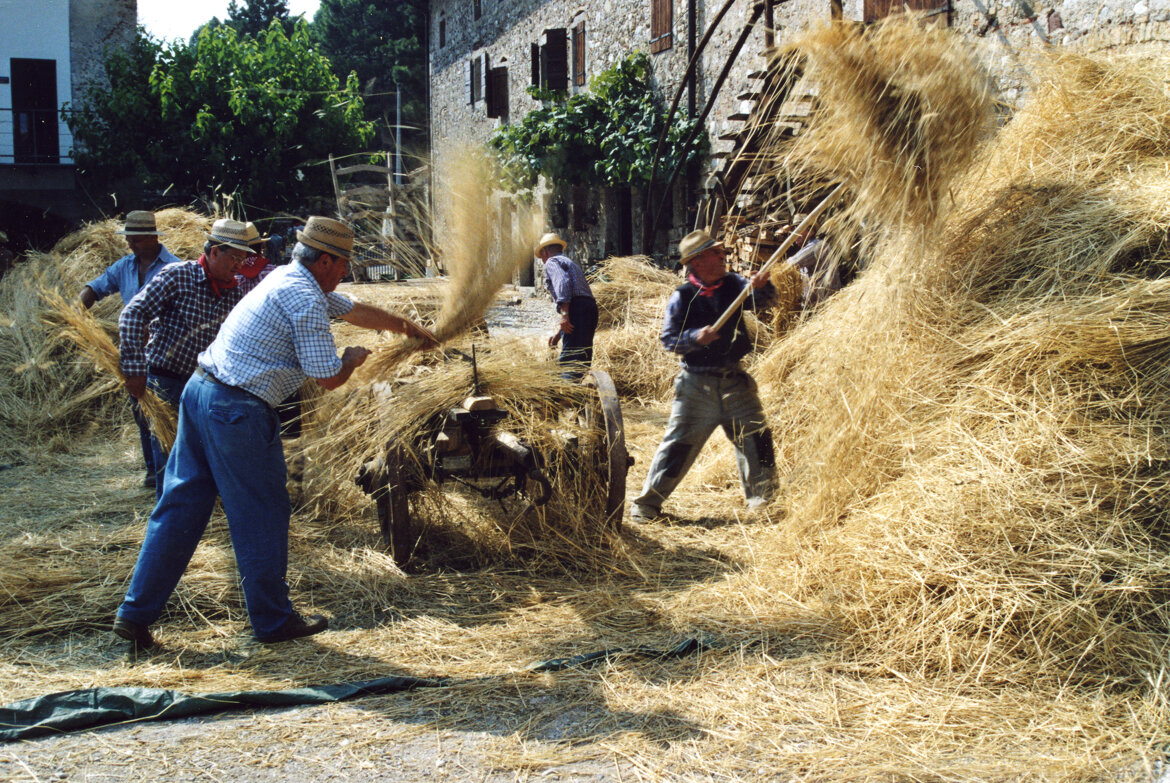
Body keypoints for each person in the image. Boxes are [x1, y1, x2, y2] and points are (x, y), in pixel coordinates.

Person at [112, 217, 437, 650]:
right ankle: (272, 621)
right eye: (343, 264)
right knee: (262, 512)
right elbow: (328, 378)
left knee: (179, 508)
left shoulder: (287, 278)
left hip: (200, 393)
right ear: (324, 261)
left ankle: (134, 614)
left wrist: (407, 328)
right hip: (237, 412)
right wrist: (352, 358)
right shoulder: (304, 299)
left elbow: (354, 309)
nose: (345, 273)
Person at [630, 229, 778, 521]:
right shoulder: (683, 297)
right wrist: (695, 337)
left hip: (735, 381)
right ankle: (646, 505)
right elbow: (669, 340)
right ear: (696, 262)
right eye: (715, 253)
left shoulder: (734, 284)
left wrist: (762, 286)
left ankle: (763, 502)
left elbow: (765, 301)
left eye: (721, 252)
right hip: (696, 385)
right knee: (679, 446)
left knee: (756, 437)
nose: (723, 256)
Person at [118, 218, 262, 497]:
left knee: (198, 458)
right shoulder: (178, 276)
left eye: (242, 260)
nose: (238, 266)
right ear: (214, 252)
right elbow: (133, 314)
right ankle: (168, 511)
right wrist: (134, 370)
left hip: (202, 386)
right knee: (168, 458)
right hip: (163, 381)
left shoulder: (236, 294)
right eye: (234, 258)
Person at [80, 211, 182, 488]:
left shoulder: (174, 267)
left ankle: (167, 475)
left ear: (152, 237)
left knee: (164, 414)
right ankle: (152, 471)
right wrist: (75, 312)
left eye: (136, 240)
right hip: (134, 351)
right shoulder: (124, 267)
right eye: (129, 239)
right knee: (141, 411)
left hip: (164, 354)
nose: (130, 244)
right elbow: (95, 288)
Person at [536, 232, 598, 381]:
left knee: (570, 357)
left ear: (544, 252)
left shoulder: (552, 262)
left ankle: (568, 390)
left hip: (576, 308)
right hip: (589, 308)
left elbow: (563, 283)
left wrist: (564, 315)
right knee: (582, 354)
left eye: (541, 256)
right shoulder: (570, 263)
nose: (542, 260)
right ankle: (578, 386)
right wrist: (558, 335)